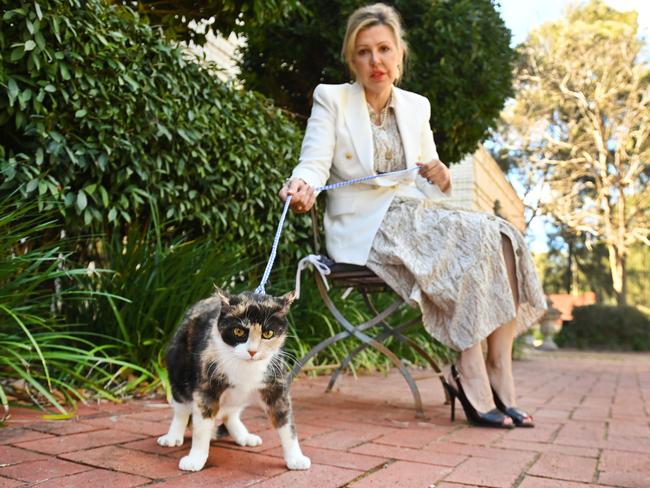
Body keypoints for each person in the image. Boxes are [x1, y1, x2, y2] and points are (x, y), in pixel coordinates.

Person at [279, 3, 546, 428]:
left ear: (400, 54)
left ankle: (500, 368)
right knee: (475, 238)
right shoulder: (331, 98)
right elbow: (313, 162)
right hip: (365, 226)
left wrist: (439, 174)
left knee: (501, 234)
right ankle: (470, 370)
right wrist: (301, 185)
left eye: (384, 49)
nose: (375, 61)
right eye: (364, 52)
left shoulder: (416, 106)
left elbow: (431, 178)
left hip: (414, 214)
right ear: (353, 60)